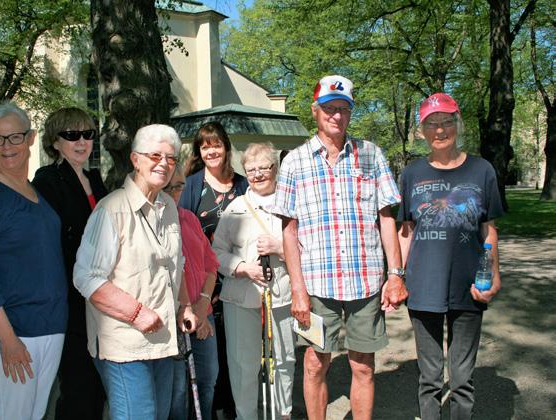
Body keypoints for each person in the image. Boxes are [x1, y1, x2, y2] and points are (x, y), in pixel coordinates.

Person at [273, 75, 408, 420]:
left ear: (350, 113)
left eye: (343, 109)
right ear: (315, 112)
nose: (336, 115)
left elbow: (386, 219)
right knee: (315, 364)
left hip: (365, 282)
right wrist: (298, 291)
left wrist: (395, 275)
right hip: (317, 288)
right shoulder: (295, 162)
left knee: (363, 367)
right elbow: (289, 231)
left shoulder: (371, 155)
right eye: (329, 109)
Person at [73, 124, 197, 420]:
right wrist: (137, 312)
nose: (164, 164)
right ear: (135, 159)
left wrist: (185, 306)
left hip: (164, 341)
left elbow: (175, 263)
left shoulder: (167, 206)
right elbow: (86, 276)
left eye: (171, 158)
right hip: (125, 346)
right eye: (155, 155)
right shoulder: (112, 209)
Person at [0, 102, 68, 420]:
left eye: (15, 137)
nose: (7, 147)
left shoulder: (34, 192)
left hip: (49, 327)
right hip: (13, 332)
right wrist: (8, 339)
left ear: (31, 138)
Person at [397, 93, 503, 420]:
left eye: (446, 122)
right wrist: (397, 277)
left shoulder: (482, 170)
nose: (440, 130)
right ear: (422, 130)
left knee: (461, 378)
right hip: (423, 286)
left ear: (458, 124)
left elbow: (488, 229)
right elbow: (406, 231)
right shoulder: (411, 174)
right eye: (432, 124)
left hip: (469, 285)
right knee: (429, 378)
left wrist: (495, 275)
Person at [32, 107, 108, 419]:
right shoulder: (48, 180)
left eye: (88, 134)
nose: (82, 141)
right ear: (55, 142)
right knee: (80, 388)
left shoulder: (95, 179)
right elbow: (49, 245)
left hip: (101, 297)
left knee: (99, 389)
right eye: (71, 135)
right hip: (70, 300)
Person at [212, 142, 296, 420]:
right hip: (241, 297)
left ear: (275, 168)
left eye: (264, 168)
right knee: (243, 365)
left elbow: (310, 248)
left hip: (282, 295)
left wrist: (280, 248)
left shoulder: (291, 204)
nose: (258, 174)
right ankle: (246, 415)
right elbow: (216, 253)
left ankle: (283, 413)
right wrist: (242, 267)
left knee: (284, 361)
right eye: (251, 170)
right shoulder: (235, 208)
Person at [179, 121, 249, 419]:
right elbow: (182, 233)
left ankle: (234, 411)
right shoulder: (193, 185)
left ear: (226, 148)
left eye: (216, 144)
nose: (211, 151)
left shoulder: (243, 184)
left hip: (240, 281)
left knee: (239, 355)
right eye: (205, 146)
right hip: (203, 287)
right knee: (210, 359)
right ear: (199, 151)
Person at [167, 166, 220, 420]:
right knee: (178, 392)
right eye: (169, 186)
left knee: (208, 379)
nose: (175, 191)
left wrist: (202, 306)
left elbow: (211, 265)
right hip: (176, 317)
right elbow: (174, 271)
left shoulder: (189, 218)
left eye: (179, 186)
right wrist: (190, 310)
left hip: (203, 312)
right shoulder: (159, 222)